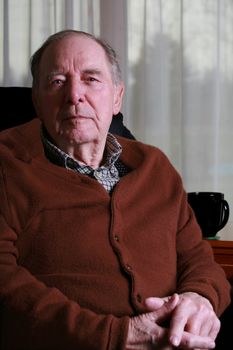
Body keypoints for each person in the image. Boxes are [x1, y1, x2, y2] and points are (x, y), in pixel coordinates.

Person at [0, 30, 230, 350]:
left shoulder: (155, 167)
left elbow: (197, 257)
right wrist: (114, 336)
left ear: (117, 97)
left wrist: (200, 298)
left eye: (91, 79)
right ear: (36, 100)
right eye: (56, 81)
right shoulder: (7, 167)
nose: (74, 95)